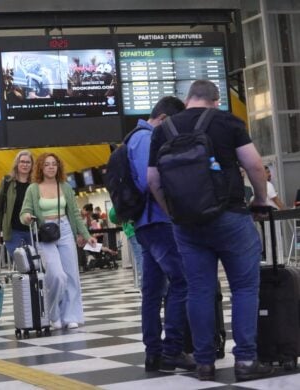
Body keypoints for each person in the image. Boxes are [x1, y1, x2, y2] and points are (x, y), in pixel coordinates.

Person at [147, 80, 272, 381]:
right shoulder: (227, 121)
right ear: (215, 101)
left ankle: (204, 362)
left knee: (199, 290)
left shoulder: (163, 130)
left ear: (188, 99)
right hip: (230, 216)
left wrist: (172, 213)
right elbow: (255, 165)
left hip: (187, 226)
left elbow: (153, 180)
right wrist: (260, 198)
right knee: (243, 288)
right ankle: (245, 360)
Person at [112, 96, 194, 371]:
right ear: (164, 119)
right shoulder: (147, 138)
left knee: (152, 290)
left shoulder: (133, 138)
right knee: (182, 281)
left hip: (145, 224)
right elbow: (150, 181)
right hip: (158, 221)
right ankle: (172, 351)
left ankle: (153, 353)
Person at [20, 152, 97, 330]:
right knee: (57, 275)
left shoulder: (65, 187)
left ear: (58, 166)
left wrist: (87, 235)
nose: (51, 167)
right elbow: (24, 211)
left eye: (54, 164)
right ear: (41, 167)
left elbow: (75, 215)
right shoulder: (33, 188)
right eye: (47, 164)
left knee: (72, 276)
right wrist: (27, 217)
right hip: (45, 232)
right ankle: (53, 312)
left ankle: (70, 315)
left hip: (64, 230)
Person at [0, 150, 34, 259]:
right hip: (13, 231)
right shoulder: (7, 182)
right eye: (22, 162)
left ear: (32, 165)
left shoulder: (35, 184)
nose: (25, 165)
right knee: (23, 263)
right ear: (17, 164)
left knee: (37, 264)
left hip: (33, 231)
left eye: (28, 162)